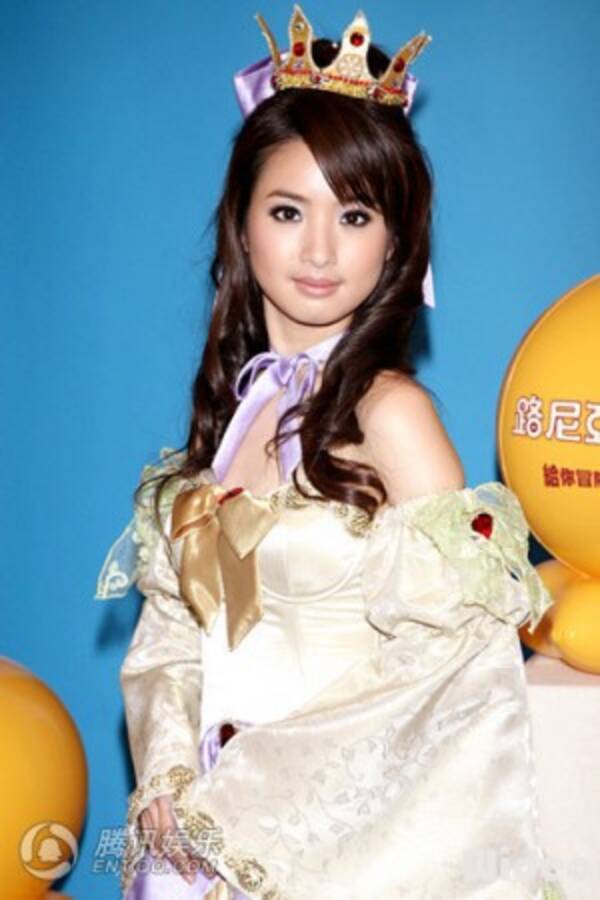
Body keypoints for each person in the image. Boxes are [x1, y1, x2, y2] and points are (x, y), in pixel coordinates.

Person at [96, 6, 567, 899]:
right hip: (197, 852)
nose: (319, 250)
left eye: (354, 215)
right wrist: (167, 776)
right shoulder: (230, 419)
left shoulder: (395, 417)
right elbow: (171, 635)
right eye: (288, 210)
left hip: (335, 855)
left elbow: (451, 685)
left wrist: (251, 798)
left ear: (396, 241)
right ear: (242, 225)